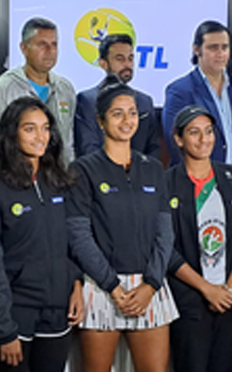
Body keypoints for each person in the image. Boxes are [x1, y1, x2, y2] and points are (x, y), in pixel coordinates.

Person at [66, 76, 178, 372]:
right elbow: (79, 236)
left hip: (149, 286)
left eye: (132, 113)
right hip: (102, 286)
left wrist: (151, 284)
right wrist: (113, 287)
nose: (127, 120)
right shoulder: (82, 169)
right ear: (100, 122)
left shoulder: (153, 168)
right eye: (117, 113)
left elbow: (165, 233)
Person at [0, 97, 84, 371]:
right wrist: (4, 329)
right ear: (12, 133)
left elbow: (69, 244)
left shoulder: (58, 180)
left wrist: (76, 284)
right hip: (14, 313)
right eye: (30, 129)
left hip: (56, 311)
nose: (40, 137)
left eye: (45, 128)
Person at [165, 106, 232, 372]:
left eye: (208, 131)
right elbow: (166, 247)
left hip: (230, 298)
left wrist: (231, 288)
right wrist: (206, 288)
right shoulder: (166, 183)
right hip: (190, 299)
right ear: (179, 139)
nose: (204, 139)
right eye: (194, 132)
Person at [163, 20, 232, 184]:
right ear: (197, 49)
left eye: (225, 47)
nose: (220, 53)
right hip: (195, 185)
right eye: (213, 48)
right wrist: (203, 181)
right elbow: (176, 143)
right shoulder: (180, 91)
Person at [0, 17, 76, 166]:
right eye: (42, 44)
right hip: (15, 175)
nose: (50, 51)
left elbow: (67, 144)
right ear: (24, 48)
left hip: (56, 176)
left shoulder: (65, 88)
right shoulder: (2, 88)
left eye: (54, 44)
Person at [74, 34, 160, 159]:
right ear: (103, 64)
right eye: (120, 59)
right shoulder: (88, 100)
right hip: (100, 169)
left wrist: (136, 168)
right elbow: (87, 148)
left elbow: (153, 148)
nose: (127, 64)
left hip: (140, 170)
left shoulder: (145, 102)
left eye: (130, 58)